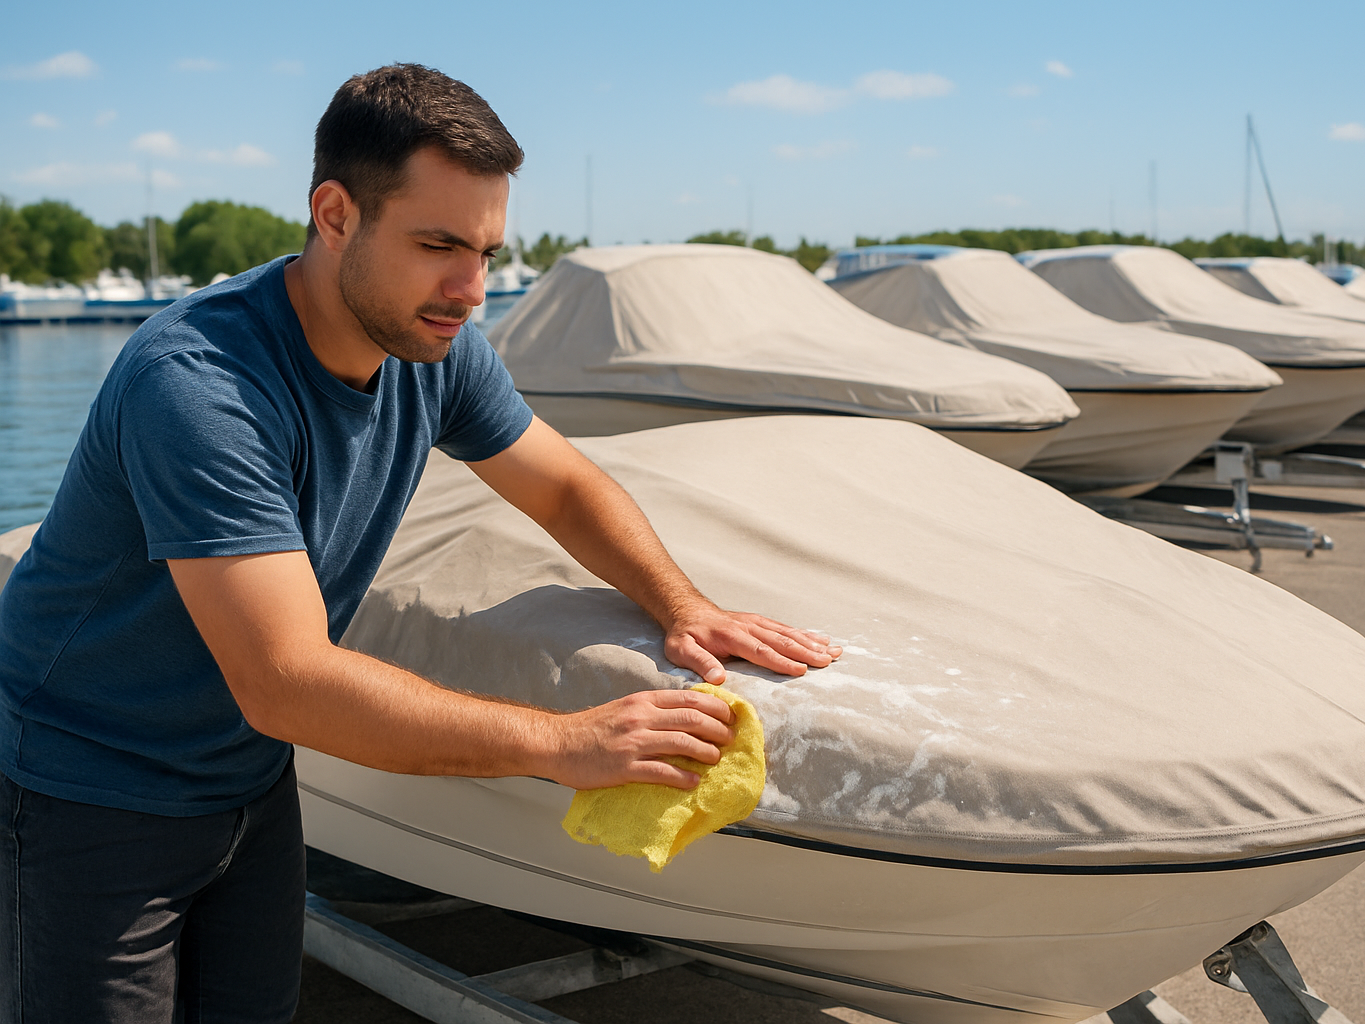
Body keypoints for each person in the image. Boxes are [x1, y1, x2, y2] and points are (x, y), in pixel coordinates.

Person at [0, 63, 838, 1023]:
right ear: (335, 214)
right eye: (439, 243)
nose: (471, 288)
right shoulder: (199, 386)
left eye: (485, 250)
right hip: (88, 786)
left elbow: (562, 486)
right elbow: (287, 680)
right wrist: (565, 743)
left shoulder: (432, 343)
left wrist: (684, 607)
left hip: (249, 778)